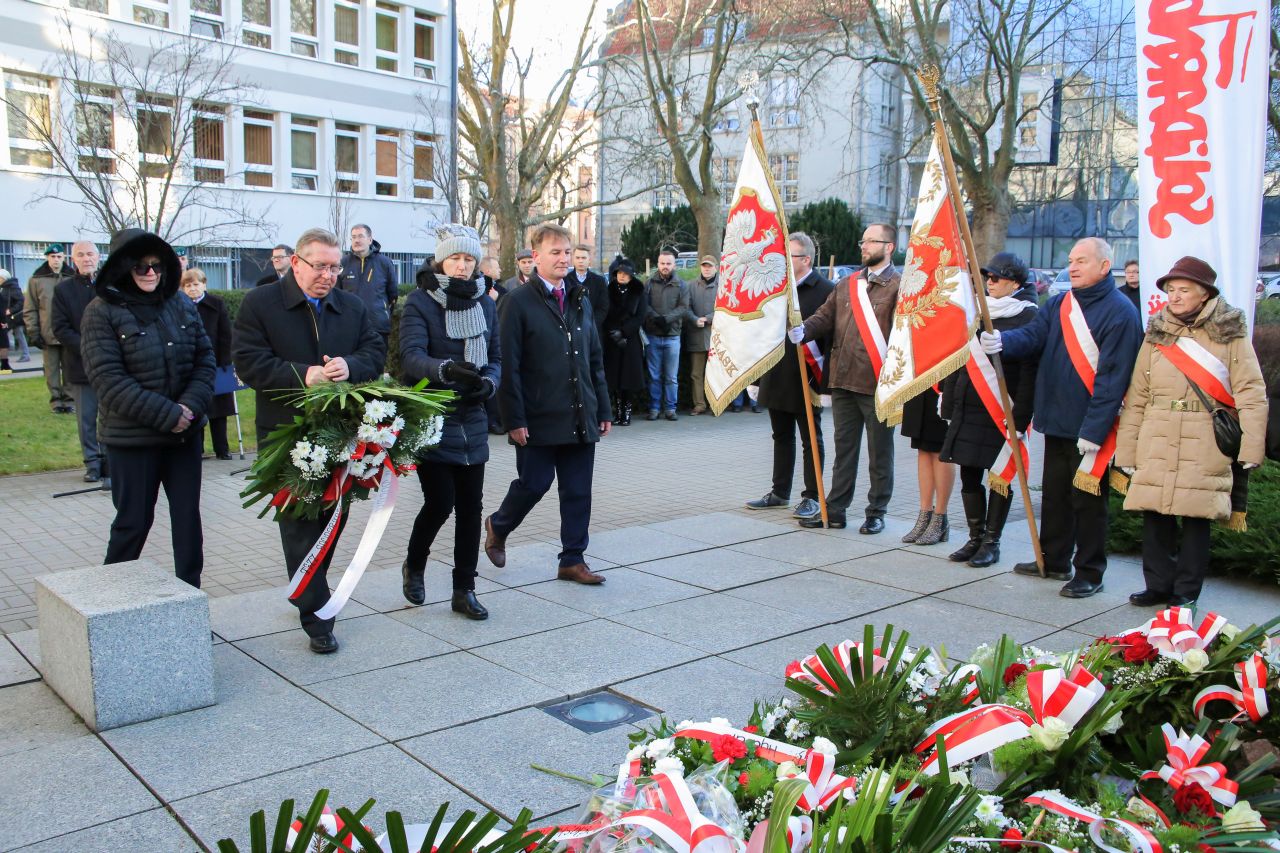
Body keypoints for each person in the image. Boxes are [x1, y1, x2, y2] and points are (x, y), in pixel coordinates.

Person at [234, 228, 386, 654]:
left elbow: (375, 353)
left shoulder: (351, 306)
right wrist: (304, 374)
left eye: (335, 267)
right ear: (296, 263)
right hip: (286, 431)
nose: (328, 276)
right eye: (319, 266)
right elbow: (248, 361)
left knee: (332, 517)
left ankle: (307, 587)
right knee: (299, 520)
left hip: (340, 431)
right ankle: (316, 614)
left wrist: (350, 366)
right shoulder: (260, 303)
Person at [980, 237, 1142, 598]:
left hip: (1092, 427)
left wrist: (1095, 430)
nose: (1073, 267)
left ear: (1104, 266)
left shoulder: (1121, 312)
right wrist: (1003, 342)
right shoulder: (1059, 304)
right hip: (1056, 419)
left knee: (1088, 502)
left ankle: (1090, 571)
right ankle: (1054, 559)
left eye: (1081, 261)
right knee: (1055, 497)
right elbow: (1033, 337)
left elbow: (1113, 378)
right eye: (1071, 260)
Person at [1116, 256, 1267, 606]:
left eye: (1184, 290)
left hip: (1205, 435)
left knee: (1197, 515)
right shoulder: (1157, 331)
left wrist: (1251, 447)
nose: (1175, 296)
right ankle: (1157, 585)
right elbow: (1138, 394)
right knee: (1155, 511)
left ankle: (1185, 591)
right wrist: (1127, 448)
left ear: (1204, 293)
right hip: (1157, 430)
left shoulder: (1229, 331)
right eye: (1171, 289)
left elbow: (1250, 391)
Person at [79, 230, 215, 587]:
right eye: (141, 266)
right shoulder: (100, 312)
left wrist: (188, 408)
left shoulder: (180, 303)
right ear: (123, 267)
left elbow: (204, 360)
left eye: (157, 265)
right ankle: (111, 597)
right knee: (133, 522)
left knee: (187, 519)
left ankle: (190, 594)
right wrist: (169, 415)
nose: (151, 273)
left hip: (184, 435)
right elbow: (109, 381)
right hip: (133, 439)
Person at [485, 223, 612, 585]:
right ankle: (499, 525)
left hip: (580, 412)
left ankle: (572, 559)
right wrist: (513, 418)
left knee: (578, 491)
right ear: (535, 256)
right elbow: (507, 365)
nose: (563, 259)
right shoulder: (517, 302)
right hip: (537, 416)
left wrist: (603, 408)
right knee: (534, 484)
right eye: (555, 252)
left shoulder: (580, 297)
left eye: (567, 252)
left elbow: (594, 358)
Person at [399, 224, 500, 619]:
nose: (462, 266)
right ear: (442, 260)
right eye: (455, 258)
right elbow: (411, 356)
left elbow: (495, 357)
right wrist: (446, 370)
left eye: (469, 258)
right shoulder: (420, 301)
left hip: (471, 414)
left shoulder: (485, 302)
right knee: (440, 502)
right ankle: (415, 564)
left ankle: (464, 589)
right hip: (433, 413)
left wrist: (489, 384)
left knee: (471, 509)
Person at [789, 224, 900, 532]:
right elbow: (825, 317)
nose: (864, 246)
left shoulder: (898, 286)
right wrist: (804, 329)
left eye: (871, 241)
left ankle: (876, 511)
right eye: (863, 240)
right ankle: (836, 508)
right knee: (844, 450)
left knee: (880, 453)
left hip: (878, 383)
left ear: (889, 246)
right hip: (842, 378)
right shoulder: (847, 284)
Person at [940, 253, 1039, 567]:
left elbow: (1030, 374)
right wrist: (949, 402)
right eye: (988, 277)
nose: (990, 282)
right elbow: (961, 359)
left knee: (999, 477)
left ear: (1016, 283)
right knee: (969, 473)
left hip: (1001, 411)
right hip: (969, 407)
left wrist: (1020, 420)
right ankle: (975, 537)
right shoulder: (979, 313)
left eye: (997, 277)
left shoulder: (1028, 317)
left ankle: (992, 542)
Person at [747, 234, 833, 521]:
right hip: (776, 372)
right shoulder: (777, 288)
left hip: (807, 377)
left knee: (811, 439)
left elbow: (831, 339)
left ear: (806, 259)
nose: (783, 261)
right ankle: (779, 492)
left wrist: (826, 383)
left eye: (790, 256)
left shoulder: (826, 289)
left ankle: (812, 496)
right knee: (781, 435)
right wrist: (756, 378)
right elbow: (762, 334)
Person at [53, 241, 108, 483]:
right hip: (80, 364)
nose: (86, 259)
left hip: (111, 364)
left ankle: (110, 461)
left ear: (98, 257)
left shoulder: (111, 285)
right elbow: (60, 328)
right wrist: (87, 348)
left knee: (110, 416)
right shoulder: (63, 290)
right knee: (86, 418)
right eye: (81, 255)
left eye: (90, 254)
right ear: (73, 259)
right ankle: (92, 463)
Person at [181, 269, 236, 460]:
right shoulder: (180, 305)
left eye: (196, 284)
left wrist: (225, 361)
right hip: (191, 364)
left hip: (216, 362)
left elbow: (225, 334)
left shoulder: (216, 304)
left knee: (219, 409)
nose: (192, 288)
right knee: (196, 406)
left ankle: (222, 448)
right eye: (188, 285)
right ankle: (198, 449)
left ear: (204, 284)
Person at [25, 245, 75, 413]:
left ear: (64, 258)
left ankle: (69, 400)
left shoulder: (72, 277)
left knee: (70, 368)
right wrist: (33, 331)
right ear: (47, 258)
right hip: (47, 332)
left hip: (68, 332)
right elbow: (30, 308)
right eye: (53, 257)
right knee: (51, 370)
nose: (56, 260)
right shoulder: (36, 280)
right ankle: (56, 401)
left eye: (59, 256)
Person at [643, 249, 688, 421]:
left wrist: (666, 319)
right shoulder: (648, 283)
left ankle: (670, 408)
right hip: (653, 335)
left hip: (672, 336)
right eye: (662, 263)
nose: (665, 266)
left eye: (668, 263)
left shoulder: (681, 285)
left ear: (674, 265)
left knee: (671, 377)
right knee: (654, 376)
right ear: (658, 264)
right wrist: (656, 318)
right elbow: (644, 305)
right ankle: (654, 408)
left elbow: (684, 307)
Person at [602, 255, 646, 426]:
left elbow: (640, 316)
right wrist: (613, 332)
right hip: (612, 339)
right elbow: (605, 312)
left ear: (631, 275)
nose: (622, 276)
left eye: (626, 274)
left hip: (630, 340)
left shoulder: (638, 291)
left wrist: (624, 332)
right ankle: (618, 411)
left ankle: (627, 412)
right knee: (614, 377)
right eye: (620, 273)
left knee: (628, 377)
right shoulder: (609, 289)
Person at [340, 224, 399, 337]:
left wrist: (382, 313)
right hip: (349, 326)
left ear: (370, 240)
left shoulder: (384, 263)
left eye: (360, 236)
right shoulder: (343, 263)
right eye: (353, 237)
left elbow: (393, 294)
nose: (357, 240)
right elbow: (336, 293)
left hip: (378, 327)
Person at [684, 255, 719, 416]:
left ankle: (716, 404)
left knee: (716, 373)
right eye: (704, 266)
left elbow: (726, 307)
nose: (706, 269)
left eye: (710, 266)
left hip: (716, 337)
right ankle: (699, 405)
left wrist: (708, 318)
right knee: (696, 374)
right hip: (696, 335)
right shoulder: (690, 285)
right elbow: (685, 307)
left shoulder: (723, 286)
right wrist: (694, 319)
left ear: (716, 268)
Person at [571, 244, 610, 341]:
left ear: (589, 260)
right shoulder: (565, 280)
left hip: (593, 332)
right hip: (571, 332)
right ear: (573, 259)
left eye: (583, 258)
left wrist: (590, 325)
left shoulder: (599, 281)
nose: (580, 261)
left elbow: (603, 307)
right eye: (577, 258)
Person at [2, 270, 29, 363]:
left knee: (19, 335)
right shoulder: (4, 288)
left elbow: (21, 301)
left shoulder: (13, 287)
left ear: (4, 278)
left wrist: (10, 310)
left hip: (15, 317)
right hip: (8, 318)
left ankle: (25, 355)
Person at [0, 270, 13, 374]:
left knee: (3, 343)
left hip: (2, 320)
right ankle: (5, 365)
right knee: (3, 344)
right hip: (2, 321)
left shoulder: (7, 288)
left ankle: (5, 365)